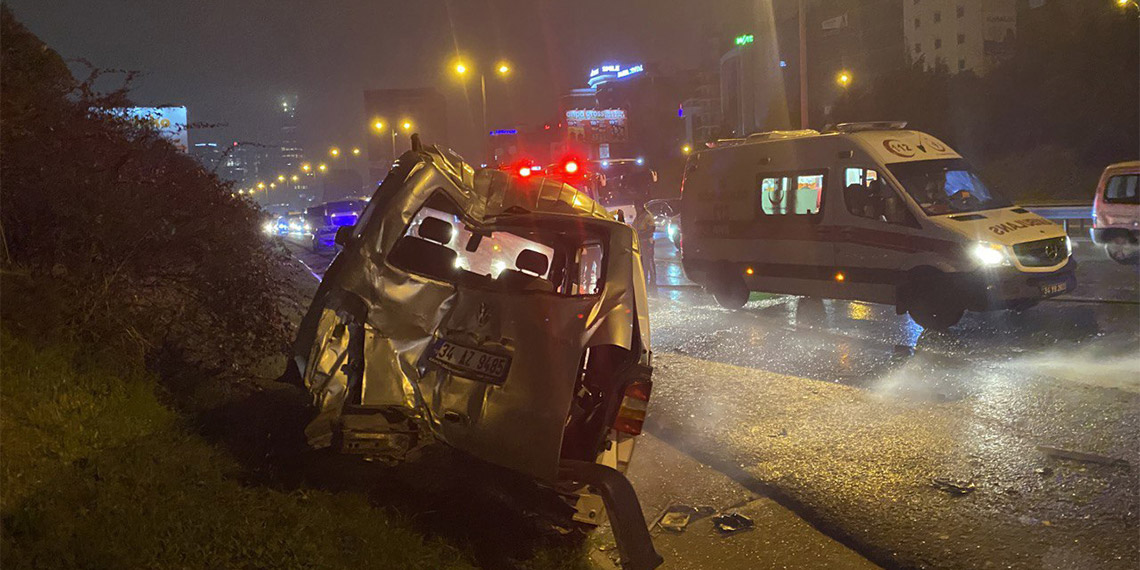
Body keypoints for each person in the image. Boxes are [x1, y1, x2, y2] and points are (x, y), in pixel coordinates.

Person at [633, 201, 657, 289]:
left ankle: (653, 282)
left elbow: (652, 228)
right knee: (644, 262)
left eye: (637, 207)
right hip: (640, 242)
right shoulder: (639, 216)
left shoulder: (647, 216)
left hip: (647, 242)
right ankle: (645, 280)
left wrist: (641, 234)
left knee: (649, 261)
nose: (636, 209)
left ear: (641, 207)